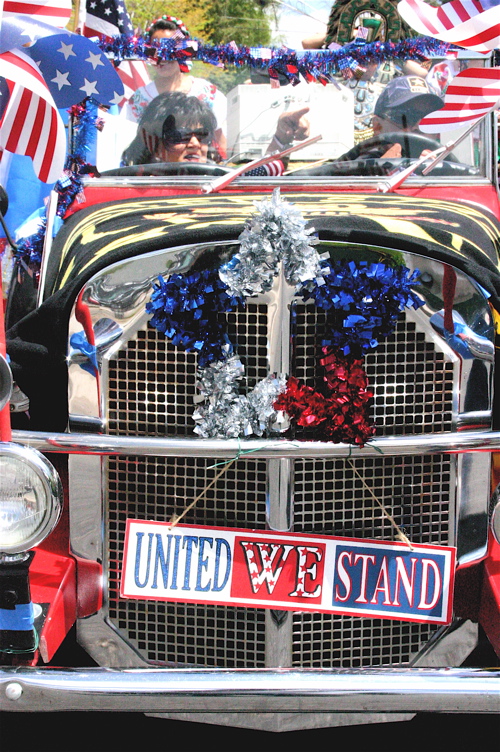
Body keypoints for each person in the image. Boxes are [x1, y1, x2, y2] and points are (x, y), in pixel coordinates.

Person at [121, 16, 227, 158]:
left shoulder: (209, 94)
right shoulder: (137, 101)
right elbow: (129, 147)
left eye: (170, 49)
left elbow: (221, 145)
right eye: (155, 49)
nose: (162, 57)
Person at [122, 92, 217, 166]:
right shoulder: (128, 185)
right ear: (153, 144)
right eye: (181, 135)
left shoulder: (224, 185)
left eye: (202, 135)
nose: (195, 144)